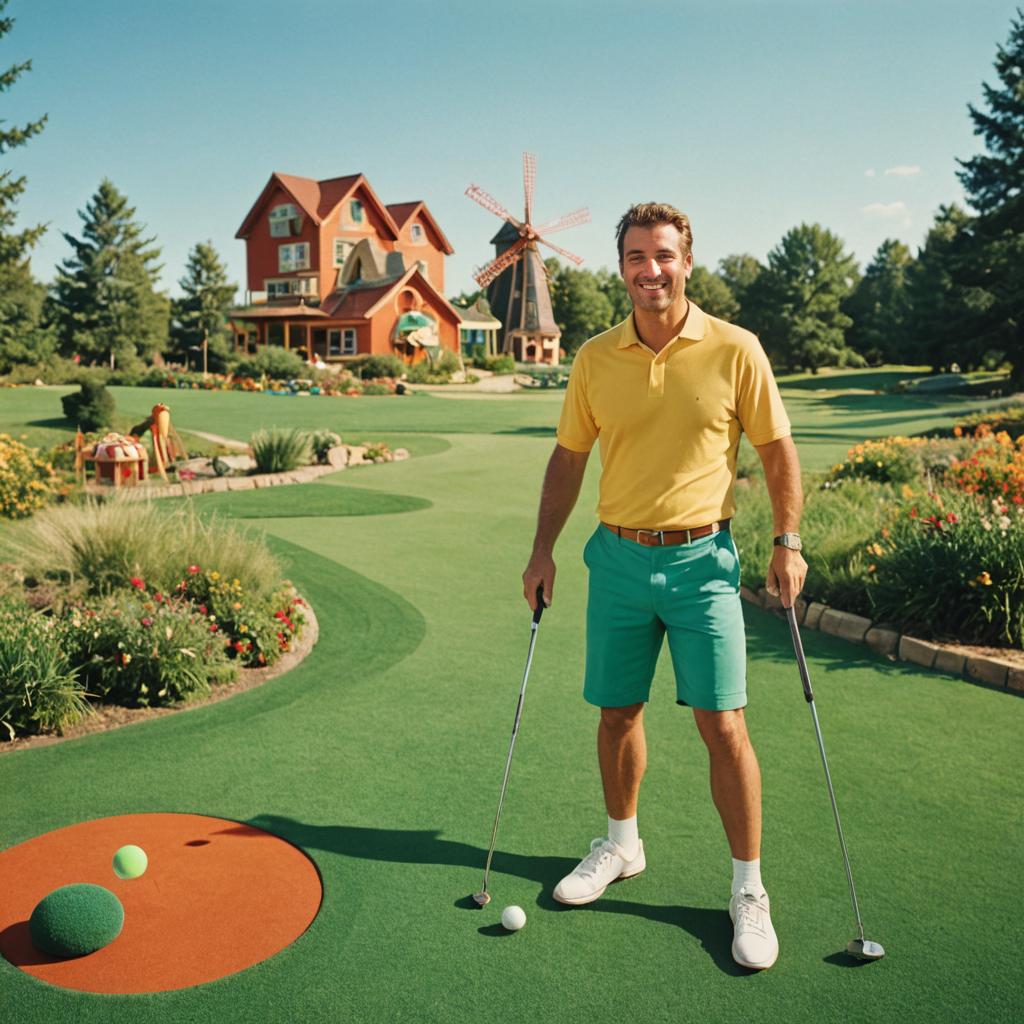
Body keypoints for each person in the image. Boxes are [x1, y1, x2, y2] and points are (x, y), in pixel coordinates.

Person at [521, 202, 807, 971]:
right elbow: (569, 459)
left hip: (702, 564)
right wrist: (542, 551)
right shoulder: (594, 359)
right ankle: (621, 845)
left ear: (688, 261)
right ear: (621, 267)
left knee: (724, 728)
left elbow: (778, 451)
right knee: (617, 714)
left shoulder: (735, 349)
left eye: (665, 255)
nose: (652, 269)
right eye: (637, 257)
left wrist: (788, 541)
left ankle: (748, 888)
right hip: (615, 562)